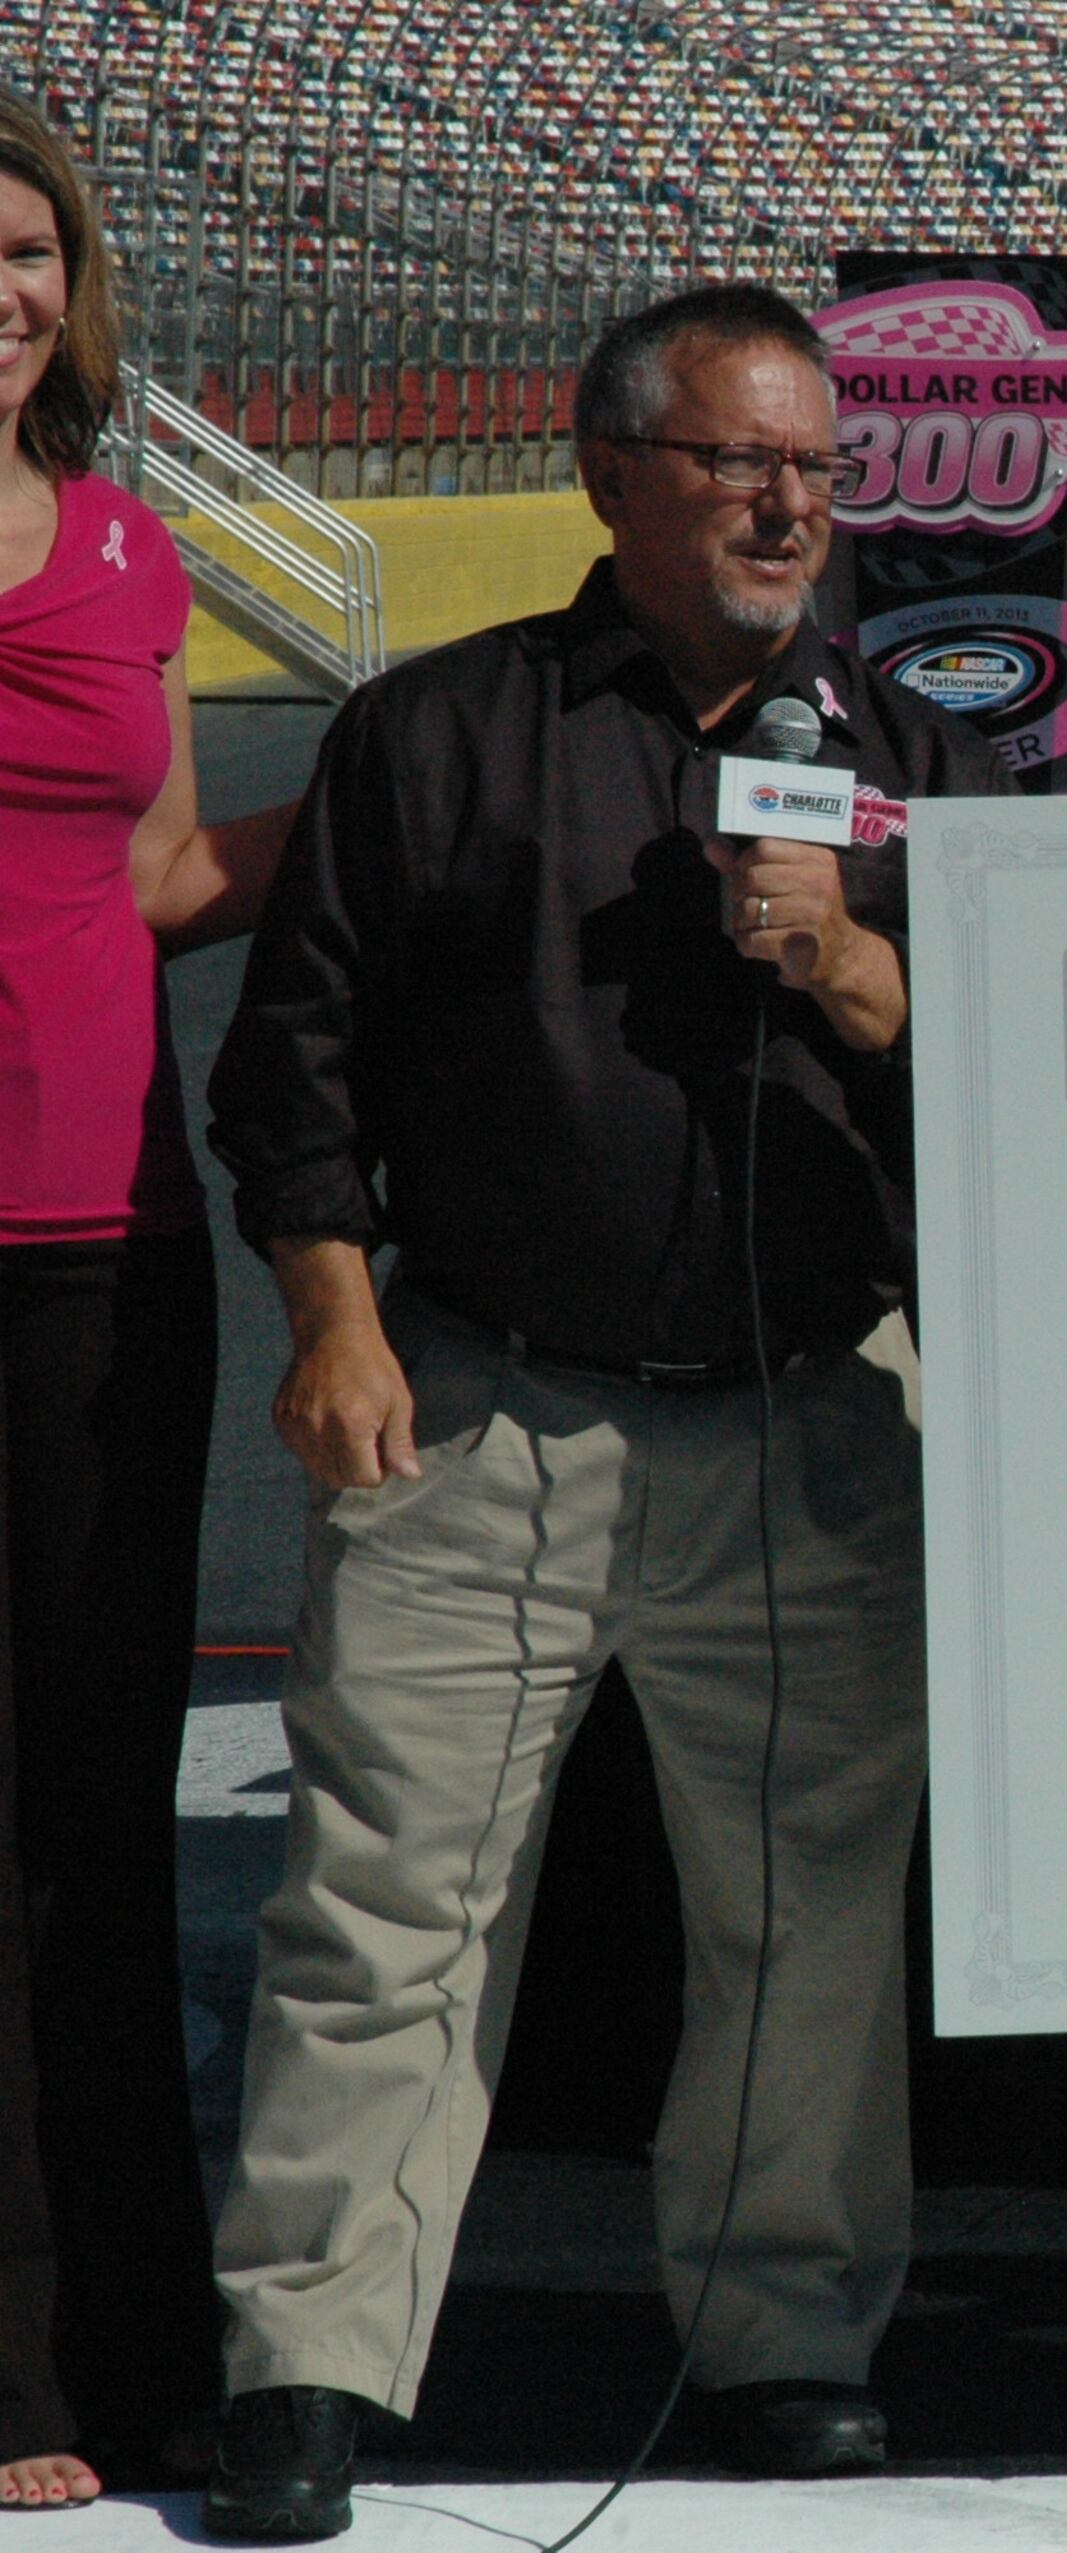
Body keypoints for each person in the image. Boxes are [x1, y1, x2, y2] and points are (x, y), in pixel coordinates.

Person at [197, 281, 1004, 2541]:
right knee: (385, 1911)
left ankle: (784, 2329)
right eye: (741, 461)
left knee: (809, 1920)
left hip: (810, 1414)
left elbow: (1020, 1076)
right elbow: (294, 1074)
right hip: (483, 1410)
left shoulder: (915, 750)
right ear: (611, 474)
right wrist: (334, 1321)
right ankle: (311, 2358)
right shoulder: (441, 733)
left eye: (818, 468)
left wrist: (852, 963)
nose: (789, 506)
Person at [0, 95, 292, 2514]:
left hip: (109, 1251)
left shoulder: (127, 544)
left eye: (26, 248)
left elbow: (173, 865)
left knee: (99, 1822)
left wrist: (401, 788)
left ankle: (136, 2337)